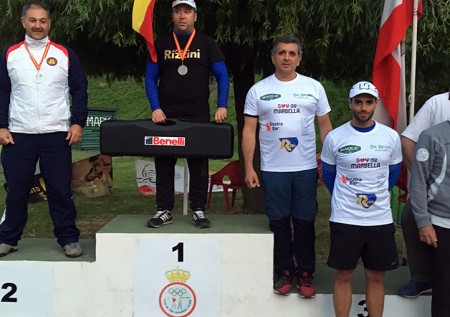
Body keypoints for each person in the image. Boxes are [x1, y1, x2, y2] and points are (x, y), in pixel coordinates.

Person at [242, 35, 332, 298]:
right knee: (279, 224)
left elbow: (325, 127)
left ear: (299, 59)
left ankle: (305, 273)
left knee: (304, 223)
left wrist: (327, 164)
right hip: (273, 169)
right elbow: (249, 131)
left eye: (292, 53)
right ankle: (283, 272)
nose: (286, 58)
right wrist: (249, 167)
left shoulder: (314, 87)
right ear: (273, 57)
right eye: (281, 53)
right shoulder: (258, 90)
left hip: (304, 168)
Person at [0, 1, 88, 258]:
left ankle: (68, 237)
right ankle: (9, 238)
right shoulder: (10, 54)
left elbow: (80, 89)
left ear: (49, 23)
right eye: (33, 20)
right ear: (23, 22)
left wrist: (77, 122)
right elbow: (2, 92)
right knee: (17, 189)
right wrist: (1, 125)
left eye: (43, 21)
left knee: (59, 189)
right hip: (18, 134)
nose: (38, 25)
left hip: (56, 134)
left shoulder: (64, 54)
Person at [145, 0, 229, 229]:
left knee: (198, 163)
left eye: (187, 11)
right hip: (166, 115)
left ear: (195, 16)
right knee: (163, 161)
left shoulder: (207, 44)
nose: (182, 16)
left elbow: (222, 75)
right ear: (172, 15)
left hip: (197, 114)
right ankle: (164, 209)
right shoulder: (160, 43)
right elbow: (150, 78)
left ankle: (198, 209)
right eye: (178, 11)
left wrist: (221, 105)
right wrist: (155, 107)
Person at [321, 81, 402, 317]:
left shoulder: (390, 137)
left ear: (375, 104)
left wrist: (374, 199)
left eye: (368, 102)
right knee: (344, 275)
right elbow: (329, 177)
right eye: (358, 102)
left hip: (379, 219)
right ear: (350, 103)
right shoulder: (335, 137)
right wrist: (348, 200)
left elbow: (392, 176)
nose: (363, 108)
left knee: (376, 277)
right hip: (346, 219)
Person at [397, 91, 450, 298]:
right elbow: (408, 140)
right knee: (412, 215)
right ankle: (421, 277)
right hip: (432, 183)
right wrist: (423, 176)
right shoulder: (436, 103)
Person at [409, 119, 450, 317]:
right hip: (441, 224)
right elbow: (418, 182)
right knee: (444, 290)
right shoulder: (432, 136)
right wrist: (423, 222)